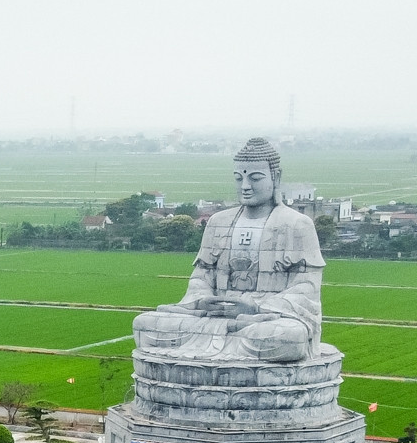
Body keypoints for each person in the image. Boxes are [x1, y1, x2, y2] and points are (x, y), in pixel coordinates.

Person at [131, 137, 325, 363]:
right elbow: (201, 276)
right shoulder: (217, 222)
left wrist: (254, 308)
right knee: (144, 324)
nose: (245, 186)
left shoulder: (296, 224)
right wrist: (202, 299)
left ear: (276, 177)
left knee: (290, 338)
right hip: (211, 317)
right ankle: (223, 347)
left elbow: (307, 288)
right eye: (238, 178)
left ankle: (226, 345)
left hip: (263, 320)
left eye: (255, 178)